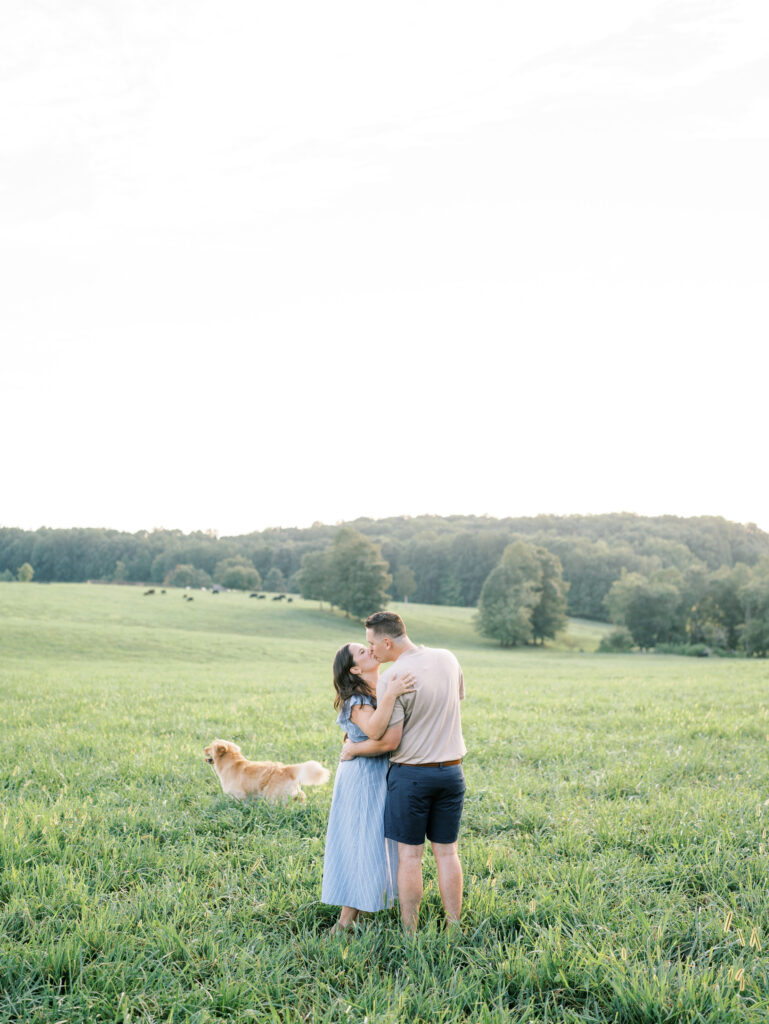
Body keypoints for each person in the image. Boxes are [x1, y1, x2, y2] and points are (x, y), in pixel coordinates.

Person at [341, 611, 466, 933]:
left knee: (411, 858)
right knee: (448, 853)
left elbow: (391, 740)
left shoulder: (393, 678)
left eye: (372, 643)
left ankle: (411, 932)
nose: (372, 650)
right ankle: (454, 925)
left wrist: (354, 747)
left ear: (386, 641)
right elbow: (457, 698)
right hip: (452, 772)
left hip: (412, 776)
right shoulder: (448, 658)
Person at [321, 642, 415, 935]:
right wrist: (393, 694)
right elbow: (376, 732)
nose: (370, 651)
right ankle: (344, 921)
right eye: (362, 652)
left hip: (377, 773)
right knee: (362, 842)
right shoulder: (357, 699)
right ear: (355, 669)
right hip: (361, 778)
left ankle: (361, 908)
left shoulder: (376, 691)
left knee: (373, 841)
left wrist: (355, 747)